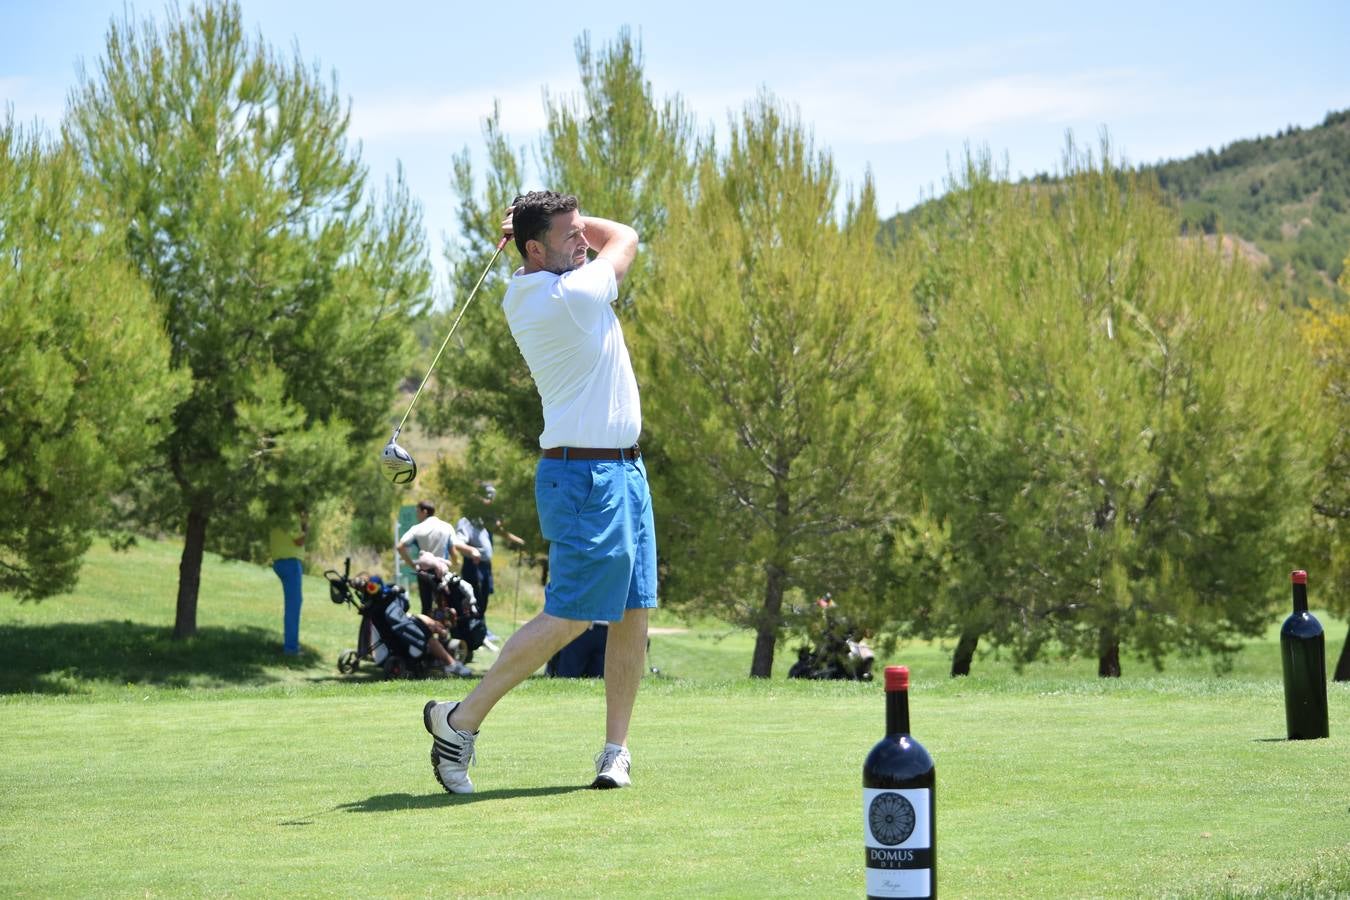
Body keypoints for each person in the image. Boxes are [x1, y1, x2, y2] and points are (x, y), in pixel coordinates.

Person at [423, 190, 656, 793]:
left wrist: (553, 226)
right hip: (585, 477)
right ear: (533, 249)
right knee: (573, 616)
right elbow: (625, 236)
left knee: (633, 610)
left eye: (581, 232)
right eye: (570, 235)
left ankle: (615, 750)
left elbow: (592, 240)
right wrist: (580, 229)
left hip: (624, 472)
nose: (584, 242)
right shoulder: (570, 296)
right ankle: (459, 720)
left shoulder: (535, 283)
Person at [454, 481, 524, 642]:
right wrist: (472, 551)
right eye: (488, 496)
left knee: (484, 598)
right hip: (474, 565)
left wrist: (518, 541)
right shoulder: (467, 521)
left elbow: (501, 531)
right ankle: (475, 630)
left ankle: (481, 629)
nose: (491, 500)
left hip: (486, 566)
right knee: (475, 599)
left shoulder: (485, 520)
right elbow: (458, 543)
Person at [397, 500, 476, 616]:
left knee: (426, 607)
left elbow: (400, 546)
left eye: (418, 512)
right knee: (446, 603)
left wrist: (411, 564)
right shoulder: (446, 526)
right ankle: (447, 627)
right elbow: (452, 548)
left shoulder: (417, 528)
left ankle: (428, 630)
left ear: (424, 512)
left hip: (424, 571)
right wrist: (455, 562)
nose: (416, 515)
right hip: (442, 571)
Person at [269, 510, 308, 656]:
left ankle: (291, 646)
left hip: (280, 562)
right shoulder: (291, 517)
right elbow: (299, 540)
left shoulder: (275, 515)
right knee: (293, 606)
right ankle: (291, 649)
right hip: (291, 563)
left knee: (292, 605)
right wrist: (305, 524)